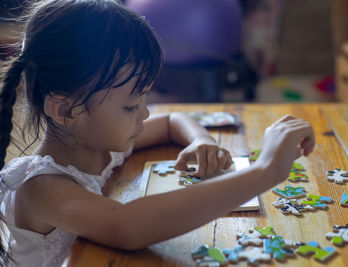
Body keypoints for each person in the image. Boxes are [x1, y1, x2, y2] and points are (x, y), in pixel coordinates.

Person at [0, 0, 315, 266]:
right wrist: (266, 171)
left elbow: (171, 121)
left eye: (145, 99)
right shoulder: (42, 189)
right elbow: (129, 227)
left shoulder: (95, 145)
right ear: (67, 111)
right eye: (131, 106)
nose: (146, 112)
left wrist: (201, 140)